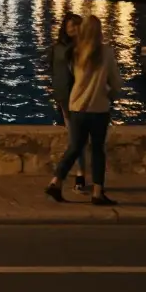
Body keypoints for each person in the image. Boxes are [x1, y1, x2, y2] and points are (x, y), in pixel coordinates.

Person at [45, 15, 122, 206]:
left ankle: (56, 181)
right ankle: (97, 192)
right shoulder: (107, 53)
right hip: (98, 108)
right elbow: (116, 83)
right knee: (97, 150)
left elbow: (68, 77)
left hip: (77, 106)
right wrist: (110, 95)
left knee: (74, 147)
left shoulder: (75, 52)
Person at [49, 13, 87, 192]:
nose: (73, 29)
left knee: (76, 137)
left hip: (77, 96)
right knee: (75, 137)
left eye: (76, 25)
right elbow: (53, 71)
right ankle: (79, 174)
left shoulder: (82, 48)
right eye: (70, 25)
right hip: (63, 97)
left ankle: (77, 174)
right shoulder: (57, 48)